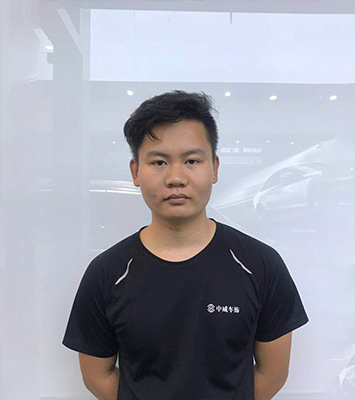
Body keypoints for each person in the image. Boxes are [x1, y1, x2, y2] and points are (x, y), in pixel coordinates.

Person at [62, 90, 309, 400]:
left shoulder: (260, 264)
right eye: (159, 162)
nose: (176, 178)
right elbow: (97, 376)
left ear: (214, 167)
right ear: (136, 171)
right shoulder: (107, 272)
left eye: (191, 160)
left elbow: (273, 373)